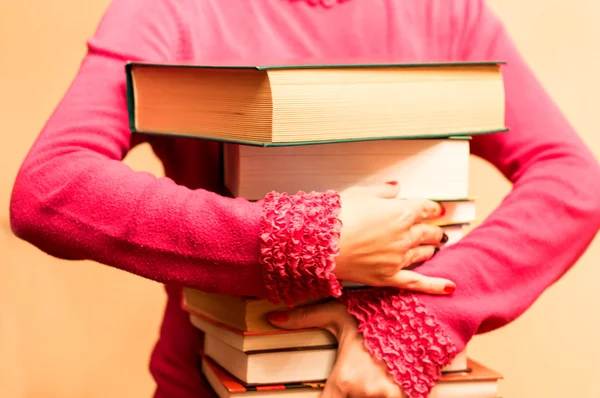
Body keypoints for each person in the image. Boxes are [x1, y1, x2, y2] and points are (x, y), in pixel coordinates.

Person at [9, 0, 600, 397]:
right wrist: (309, 240)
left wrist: (415, 322)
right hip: (214, 378)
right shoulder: (171, 9)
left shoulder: (444, 10)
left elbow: (573, 178)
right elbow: (51, 187)